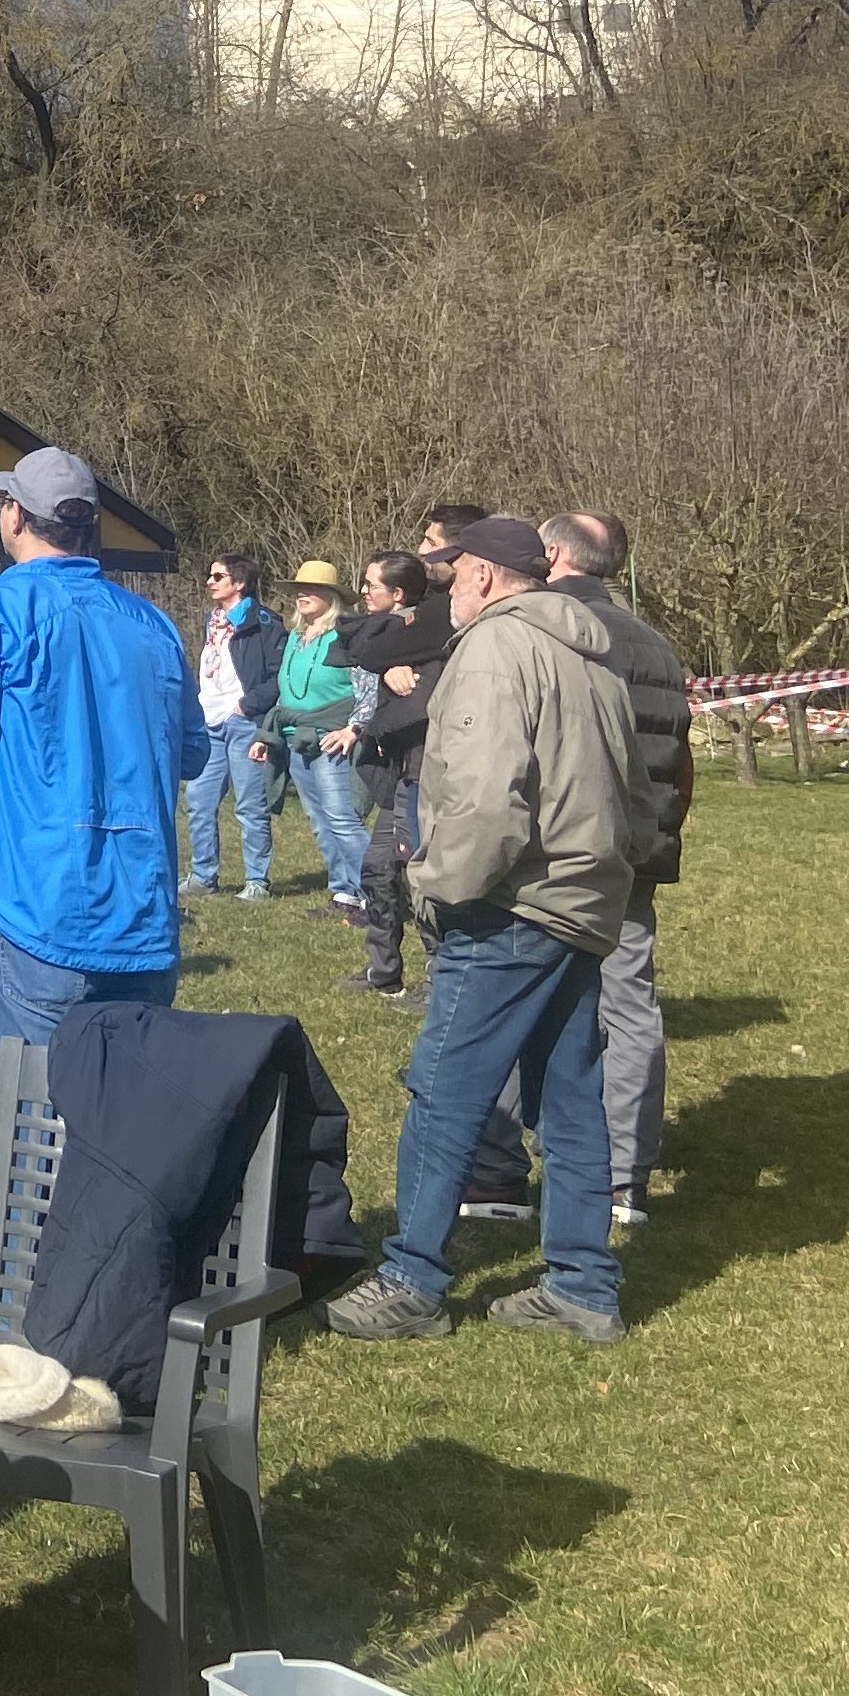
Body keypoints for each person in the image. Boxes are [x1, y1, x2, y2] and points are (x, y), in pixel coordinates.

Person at [326, 515, 656, 1348]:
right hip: (583, 901)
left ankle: (412, 1279)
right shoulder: (596, 653)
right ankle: (582, 1285)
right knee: (571, 1100)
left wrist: (438, 890)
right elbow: (638, 790)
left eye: (454, 571)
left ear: (483, 575)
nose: (447, 586)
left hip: (510, 903)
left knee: (444, 1091)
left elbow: (484, 799)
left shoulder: (495, 649)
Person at [0, 448, 204, 1135]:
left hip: (31, 910)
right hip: (142, 918)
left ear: (15, 516)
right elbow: (191, 749)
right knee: (126, 1145)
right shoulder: (151, 624)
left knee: (28, 1147)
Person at [546, 511, 691, 1227]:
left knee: (535, 997)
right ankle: (625, 1176)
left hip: (563, 850)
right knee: (630, 1007)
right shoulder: (657, 643)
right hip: (639, 847)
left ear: (552, 555)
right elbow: (680, 761)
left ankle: (510, 1160)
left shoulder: (549, 630)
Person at [330, 549, 453, 997]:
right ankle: (382, 972)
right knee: (379, 870)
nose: (363, 591)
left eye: (372, 585)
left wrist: (395, 661)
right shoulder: (390, 633)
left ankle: (440, 979)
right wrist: (388, 665)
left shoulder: (431, 626)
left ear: (398, 594)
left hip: (425, 771)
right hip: (398, 771)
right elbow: (351, 646)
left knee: (420, 877)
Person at [256, 560, 372, 916]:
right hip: (296, 738)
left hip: (330, 737)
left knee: (342, 818)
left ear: (331, 597)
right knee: (321, 822)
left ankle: (378, 895)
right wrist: (267, 736)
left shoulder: (347, 636)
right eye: (298, 590)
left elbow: (368, 688)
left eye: (311, 590)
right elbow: (286, 692)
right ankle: (344, 892)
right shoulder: (295, 637)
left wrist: (353, 728)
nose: (301, 595)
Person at [182, 553, 282, 901]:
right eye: (209, 575)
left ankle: (257, 881)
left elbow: (277, 677)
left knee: (250, 805)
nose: (209, 582)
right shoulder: (212, 621)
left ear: (239, 583)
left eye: (218, 576)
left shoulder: (263, 623)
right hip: (209, 722)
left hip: (243, 722)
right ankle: (202, 876)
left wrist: (247, 705)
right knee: (198, 800)